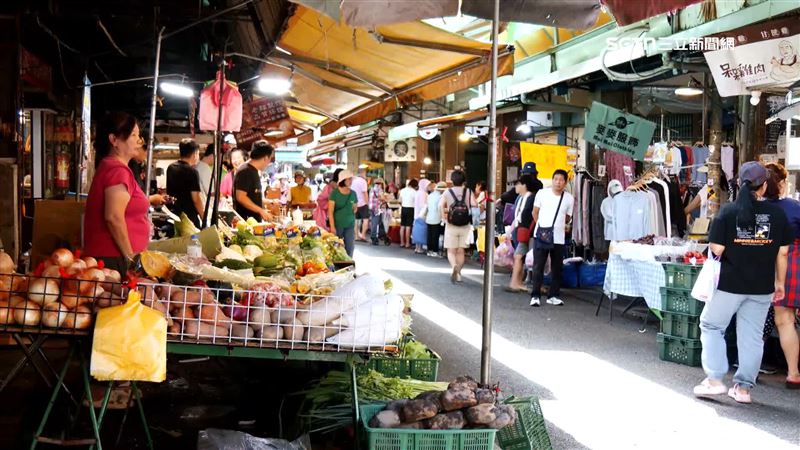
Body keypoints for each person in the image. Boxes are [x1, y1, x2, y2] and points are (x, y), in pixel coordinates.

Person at [693, 161, 792, 404]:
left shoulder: (727, 212)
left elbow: (716, 249)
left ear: (740, 184)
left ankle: (715, 380)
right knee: (752, 336)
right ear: (764, 185)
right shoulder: (778, 215)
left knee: (711, 326)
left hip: (729, 284)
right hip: (762, 287)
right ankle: (743, 389)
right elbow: (782, 253)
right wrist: (780, 283)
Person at [84, 112, 150, 273]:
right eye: (133, 135)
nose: (139, 140)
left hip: (112, 258)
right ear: (114, 140)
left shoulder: (113, 168)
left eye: (139, 135)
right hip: (113, 260)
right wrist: (130, 259)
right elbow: (113, 217)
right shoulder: (117, 171)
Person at [762, 163, 800, 388]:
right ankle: (793, 373)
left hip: (769, 266)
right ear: (783, 184)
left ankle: (748, 372)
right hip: (795, 262)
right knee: (787, 321)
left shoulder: (757, 209)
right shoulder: (794, 207)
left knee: (782, 321)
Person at [529, 169, 574, 307]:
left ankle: (553, 295)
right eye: (556, 179)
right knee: (538, 266)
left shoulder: (569, 198)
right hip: (541, 235)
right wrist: (543, 227)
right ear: (552, 179)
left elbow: (568, 217)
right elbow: (534, 212)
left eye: (561, 180)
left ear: (565, 183)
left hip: (558, 237)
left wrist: (557, 226)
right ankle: (535, 295)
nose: (558, 182)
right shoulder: (542, 193)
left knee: (557, 267)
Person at [440, 170, 472, 283]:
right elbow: (476, 205)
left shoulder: (447, 192)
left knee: (451, 251)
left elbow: (440, 206)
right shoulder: (468, 192)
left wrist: (443, 218)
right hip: (465, 225)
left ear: (452, 180)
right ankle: (458, 274)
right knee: (461, 251)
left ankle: (454, 266)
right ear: (464, 180)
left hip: (451, 224)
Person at [506, 175, 537, 293]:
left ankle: (516, 283)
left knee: (520, 257)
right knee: (520, 257)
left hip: (528, 232)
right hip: (522, 232)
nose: (515, 187)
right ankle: (516, 282)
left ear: (524, 185)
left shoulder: (530, 198)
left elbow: (525, 216)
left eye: (518, 184)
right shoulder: (521, 198)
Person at [167, 138, 204, 228]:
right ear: (195, 154)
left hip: (174, 215)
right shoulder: (192, 172)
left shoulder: (171, 168)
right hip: (189, 219)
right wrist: (204, 217)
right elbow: (196, 199)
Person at [233, 141, 274, 222]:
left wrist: (271, 202)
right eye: (270, 159)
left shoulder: (253, 170)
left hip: (254, 223)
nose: (269, 163)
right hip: (246, 224)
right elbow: (241, 197)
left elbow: (252, 197)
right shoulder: (245, 171)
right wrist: (261, 211)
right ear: (266, 158)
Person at [328, 170, 358, 257]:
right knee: (336, 248)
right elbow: (330, 211)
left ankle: (348, 265)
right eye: (348, 179)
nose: (350, 181)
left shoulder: (353, 193)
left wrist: (354, 207)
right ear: (342, 180)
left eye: (351, 179)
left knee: (350, 247)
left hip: (350, 225)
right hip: (337, 226)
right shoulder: (335, 193)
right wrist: (332, 227)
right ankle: (337, 267)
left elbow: (355, 209)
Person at [422, 181, 446, 257]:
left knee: (429, 235)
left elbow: (427, 206)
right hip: (436, 218)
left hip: (429, 217)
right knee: (435, 235)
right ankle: (435, 251)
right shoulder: (441, 197)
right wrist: (443, 218)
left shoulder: (430, 195)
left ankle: (429, 250)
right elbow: (440, 208)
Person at [369, 178, 389, 245]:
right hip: (377, 208)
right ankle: (374, 237)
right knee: (375, 222)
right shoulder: (379, 189)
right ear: (380, 183)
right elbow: (382, 198)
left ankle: (382, 235)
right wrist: (386, 198)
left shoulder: (372, 188)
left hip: (372, 207)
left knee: (379, 222)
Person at [352, 167, 370, 242]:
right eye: (365, 173)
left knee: (356, 220)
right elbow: (365, 193)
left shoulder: (353, 180)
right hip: (362, 203)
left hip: (354, 203)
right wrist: (367, 202)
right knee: (365, 219)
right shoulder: (363, 181)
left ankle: (356, 236)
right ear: (362, 173)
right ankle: (363, 235)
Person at [399, 179, 418, 248]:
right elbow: (416, 202)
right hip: (411, 209)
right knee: (408, 226)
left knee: (402, 226)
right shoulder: (414, 192)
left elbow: (400, 200)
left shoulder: (402, 190)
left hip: (403, 208)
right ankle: (407, 243)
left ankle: (401, 242)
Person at [414, 179, 431, 254]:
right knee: (421, 231)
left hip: (416, 214)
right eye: (428, 185)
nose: (428, 187)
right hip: (422, 215)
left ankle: (417, 247)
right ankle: (419, 248)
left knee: (417, 231)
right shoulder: (423, 194)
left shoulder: (417, 192)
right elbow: (423, 206)